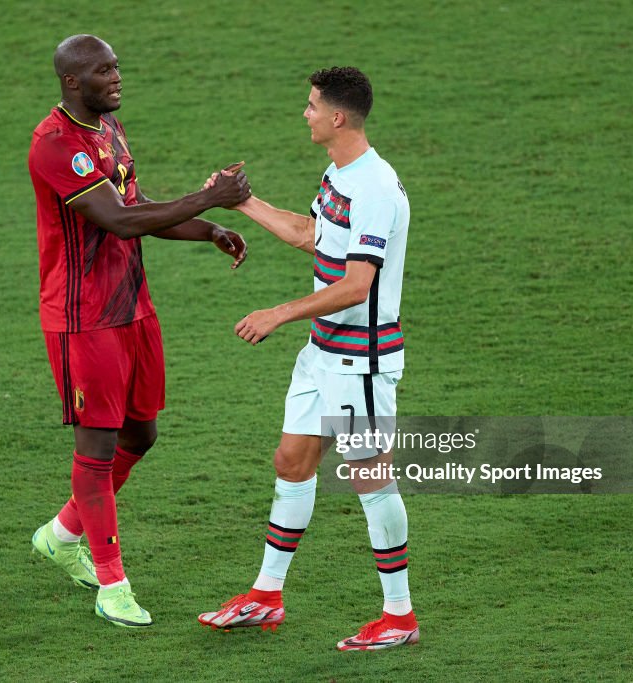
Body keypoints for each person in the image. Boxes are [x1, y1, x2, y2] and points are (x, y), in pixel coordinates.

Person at [27, 34, 251, 629]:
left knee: (142, 433)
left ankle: (62, 533)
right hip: (85, 319)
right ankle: (111, 582)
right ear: (73, 81)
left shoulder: (108, 129)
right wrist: (210, 196)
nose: (117, 78)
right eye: (104, 71)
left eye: (118, 67)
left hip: (133, 308)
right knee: (96, 448)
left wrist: (206, 228)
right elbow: (121, 221)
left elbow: (136, 201)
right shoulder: (56, 146)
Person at [197, 66, 418, 651]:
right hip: (324, 353)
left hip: (362, 362)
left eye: (313, 105)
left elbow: (356, 286)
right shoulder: (340, 173)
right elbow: (309, 234)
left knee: (371, 480)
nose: (306, 113)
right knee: (292, 461)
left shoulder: (373, 187)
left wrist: (277, 312)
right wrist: (243, 202)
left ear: (338, 117)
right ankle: (267, 596)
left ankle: (399, 614)